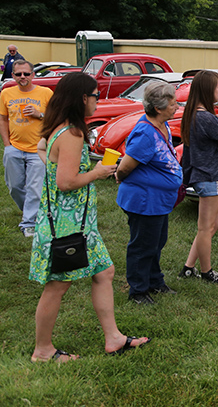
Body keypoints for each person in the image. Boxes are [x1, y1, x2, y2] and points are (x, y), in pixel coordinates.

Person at [29, 73, 150, 362]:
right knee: (58, 285)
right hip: (66, 225)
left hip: (79, 224)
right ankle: (43, 350)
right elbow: (66, 182)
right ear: (83, 97)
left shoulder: (58, 128)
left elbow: (44, 153)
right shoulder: (72, 133)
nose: (98, 100)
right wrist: (98, 172)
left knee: (104, 272)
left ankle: (114, 338)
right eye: (96, 94)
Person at [115, 82, 182, 305]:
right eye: (173, 103)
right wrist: (120, 176)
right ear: (158, 108)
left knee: (157, 241)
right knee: (143, 245)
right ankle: (138, 290)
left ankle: (155, 281)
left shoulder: (161, 125)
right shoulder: (145, 133)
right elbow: (125, 166)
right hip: (144, 200)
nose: (176, 106)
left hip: (159, 200)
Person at [179, 70, 218, 285]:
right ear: (207, 90)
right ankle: (207, 272)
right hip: (210, 176)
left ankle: (188, 267)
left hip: (206, 175)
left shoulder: (192, 113)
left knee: (215, 224)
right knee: (205, 228)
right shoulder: (207, 117)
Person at [1, 60, 53, 236]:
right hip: (14, 147)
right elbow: (3, 119)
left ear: (33, 74)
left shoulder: (45, 93)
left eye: (26, 73)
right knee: (14, 186)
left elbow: (55, 118)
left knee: (34, 187)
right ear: (13, 75)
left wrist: (40, 114)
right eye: (18, 74)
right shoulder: (6, 93)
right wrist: (7, 145)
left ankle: (29, 223)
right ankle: (31, 211)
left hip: (38, 149)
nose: (22, 77)